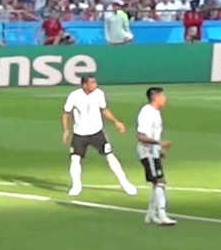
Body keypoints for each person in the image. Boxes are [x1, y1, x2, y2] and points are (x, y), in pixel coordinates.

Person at [61, 74, 137, 197]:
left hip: (97, 132)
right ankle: (76, 185)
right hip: (80, 134)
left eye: (95, 82)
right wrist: (65, 130)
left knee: (110, 156)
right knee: (75, 159)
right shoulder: (74, 96)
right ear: (84, 84)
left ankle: (125, 183)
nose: (95, 85)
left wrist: (116, 121)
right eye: (92, 83)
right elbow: (66, 113)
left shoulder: (99, 94)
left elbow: (104, 110)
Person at [135, 87, 175, 226]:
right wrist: (159, 143)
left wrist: (158, 150)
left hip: (153, 151)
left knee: (157, 182)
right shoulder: (147, 112)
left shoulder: (156, 113)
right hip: (147, 152)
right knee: (160, 182)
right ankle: (162, 215)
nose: (165, 99)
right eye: (163, 96)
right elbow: (141, 136)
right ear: (156, 97)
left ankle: (150, 215)